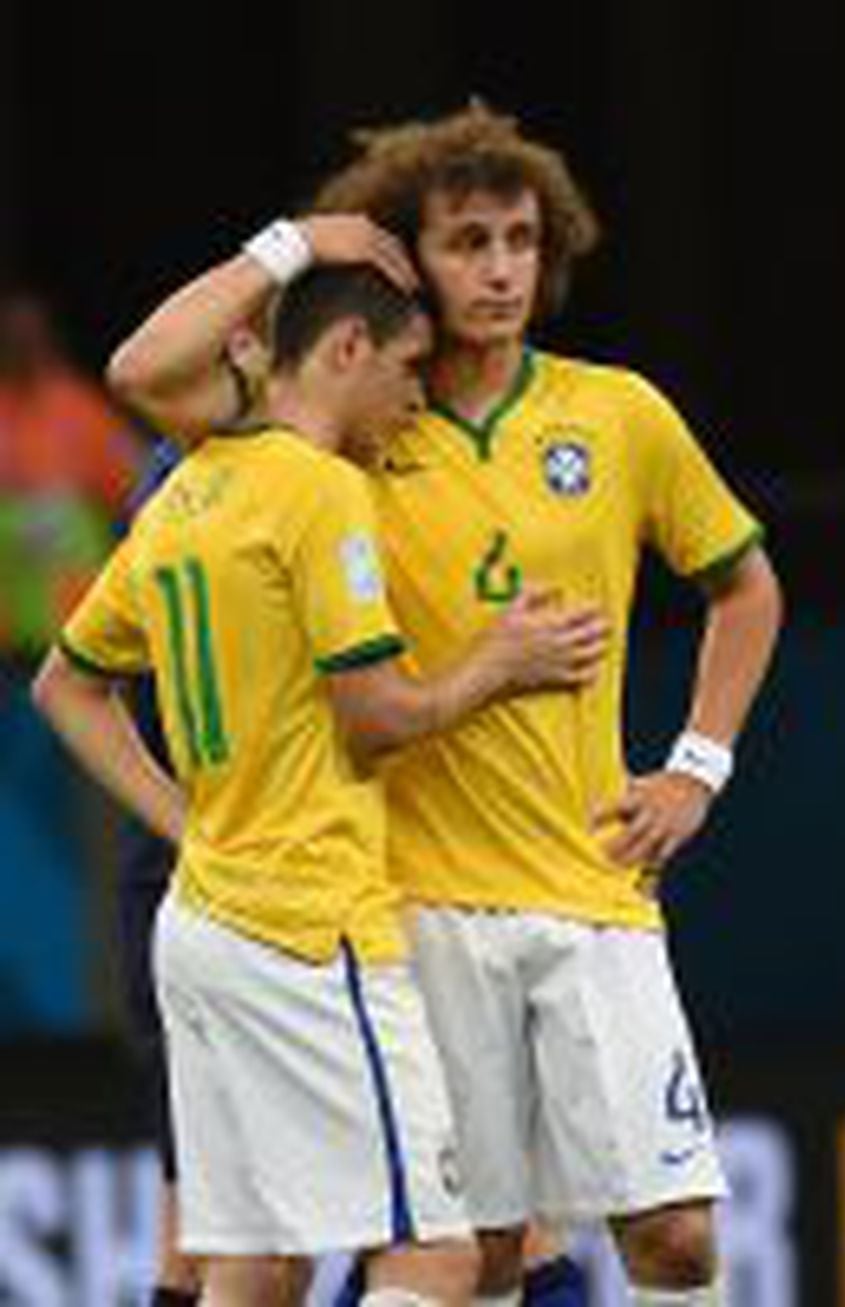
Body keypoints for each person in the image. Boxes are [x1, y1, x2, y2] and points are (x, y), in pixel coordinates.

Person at [34, 261, 609, 1306]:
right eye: (403, 366)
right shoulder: (322, 488)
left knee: (256, 1266)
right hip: (310, 925)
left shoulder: (187, 485)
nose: (415, 395)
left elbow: (66, 684)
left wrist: (187, 822)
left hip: (201, 919)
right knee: (438, 1255)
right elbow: (375, 716)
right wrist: (497, 661)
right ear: (345, 350)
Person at [311, 103, 782, 1306]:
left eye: (520, 238)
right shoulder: (354, 433)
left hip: (594, 884)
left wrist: (695, 767)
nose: (502, 267)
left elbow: (745, 587)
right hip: (419, 896)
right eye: (467, 241)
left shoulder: (613, 411)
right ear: (405, 258)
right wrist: (305, 249)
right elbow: (159, 379)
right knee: (471, 1256)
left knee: (676, 1236)